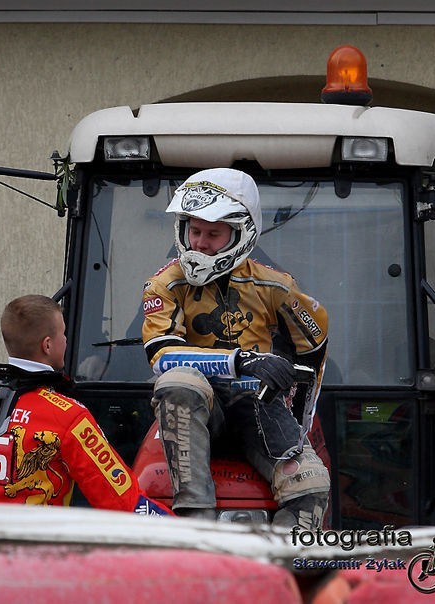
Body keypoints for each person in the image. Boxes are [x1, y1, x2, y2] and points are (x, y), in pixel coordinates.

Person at [141, 168, 330, 528]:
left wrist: (299, 415)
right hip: (200, 409)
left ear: (241, 233)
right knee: (178, 382)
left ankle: (285, 567)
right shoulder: (164, 284)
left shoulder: (276, 285)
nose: (199, 243)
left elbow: (315, 342)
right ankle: (197, 523)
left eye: (213, 233)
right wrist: (242, 360)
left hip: (256, 404)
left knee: (313, 483)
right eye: (194, 231)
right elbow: (162, 356)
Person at [0, 294, 171, 516]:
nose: (66, 341)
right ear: (47, 345)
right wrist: (183, 530)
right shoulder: (68, 415)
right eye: (63, 334)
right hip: (40, 557)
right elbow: (124, 503)